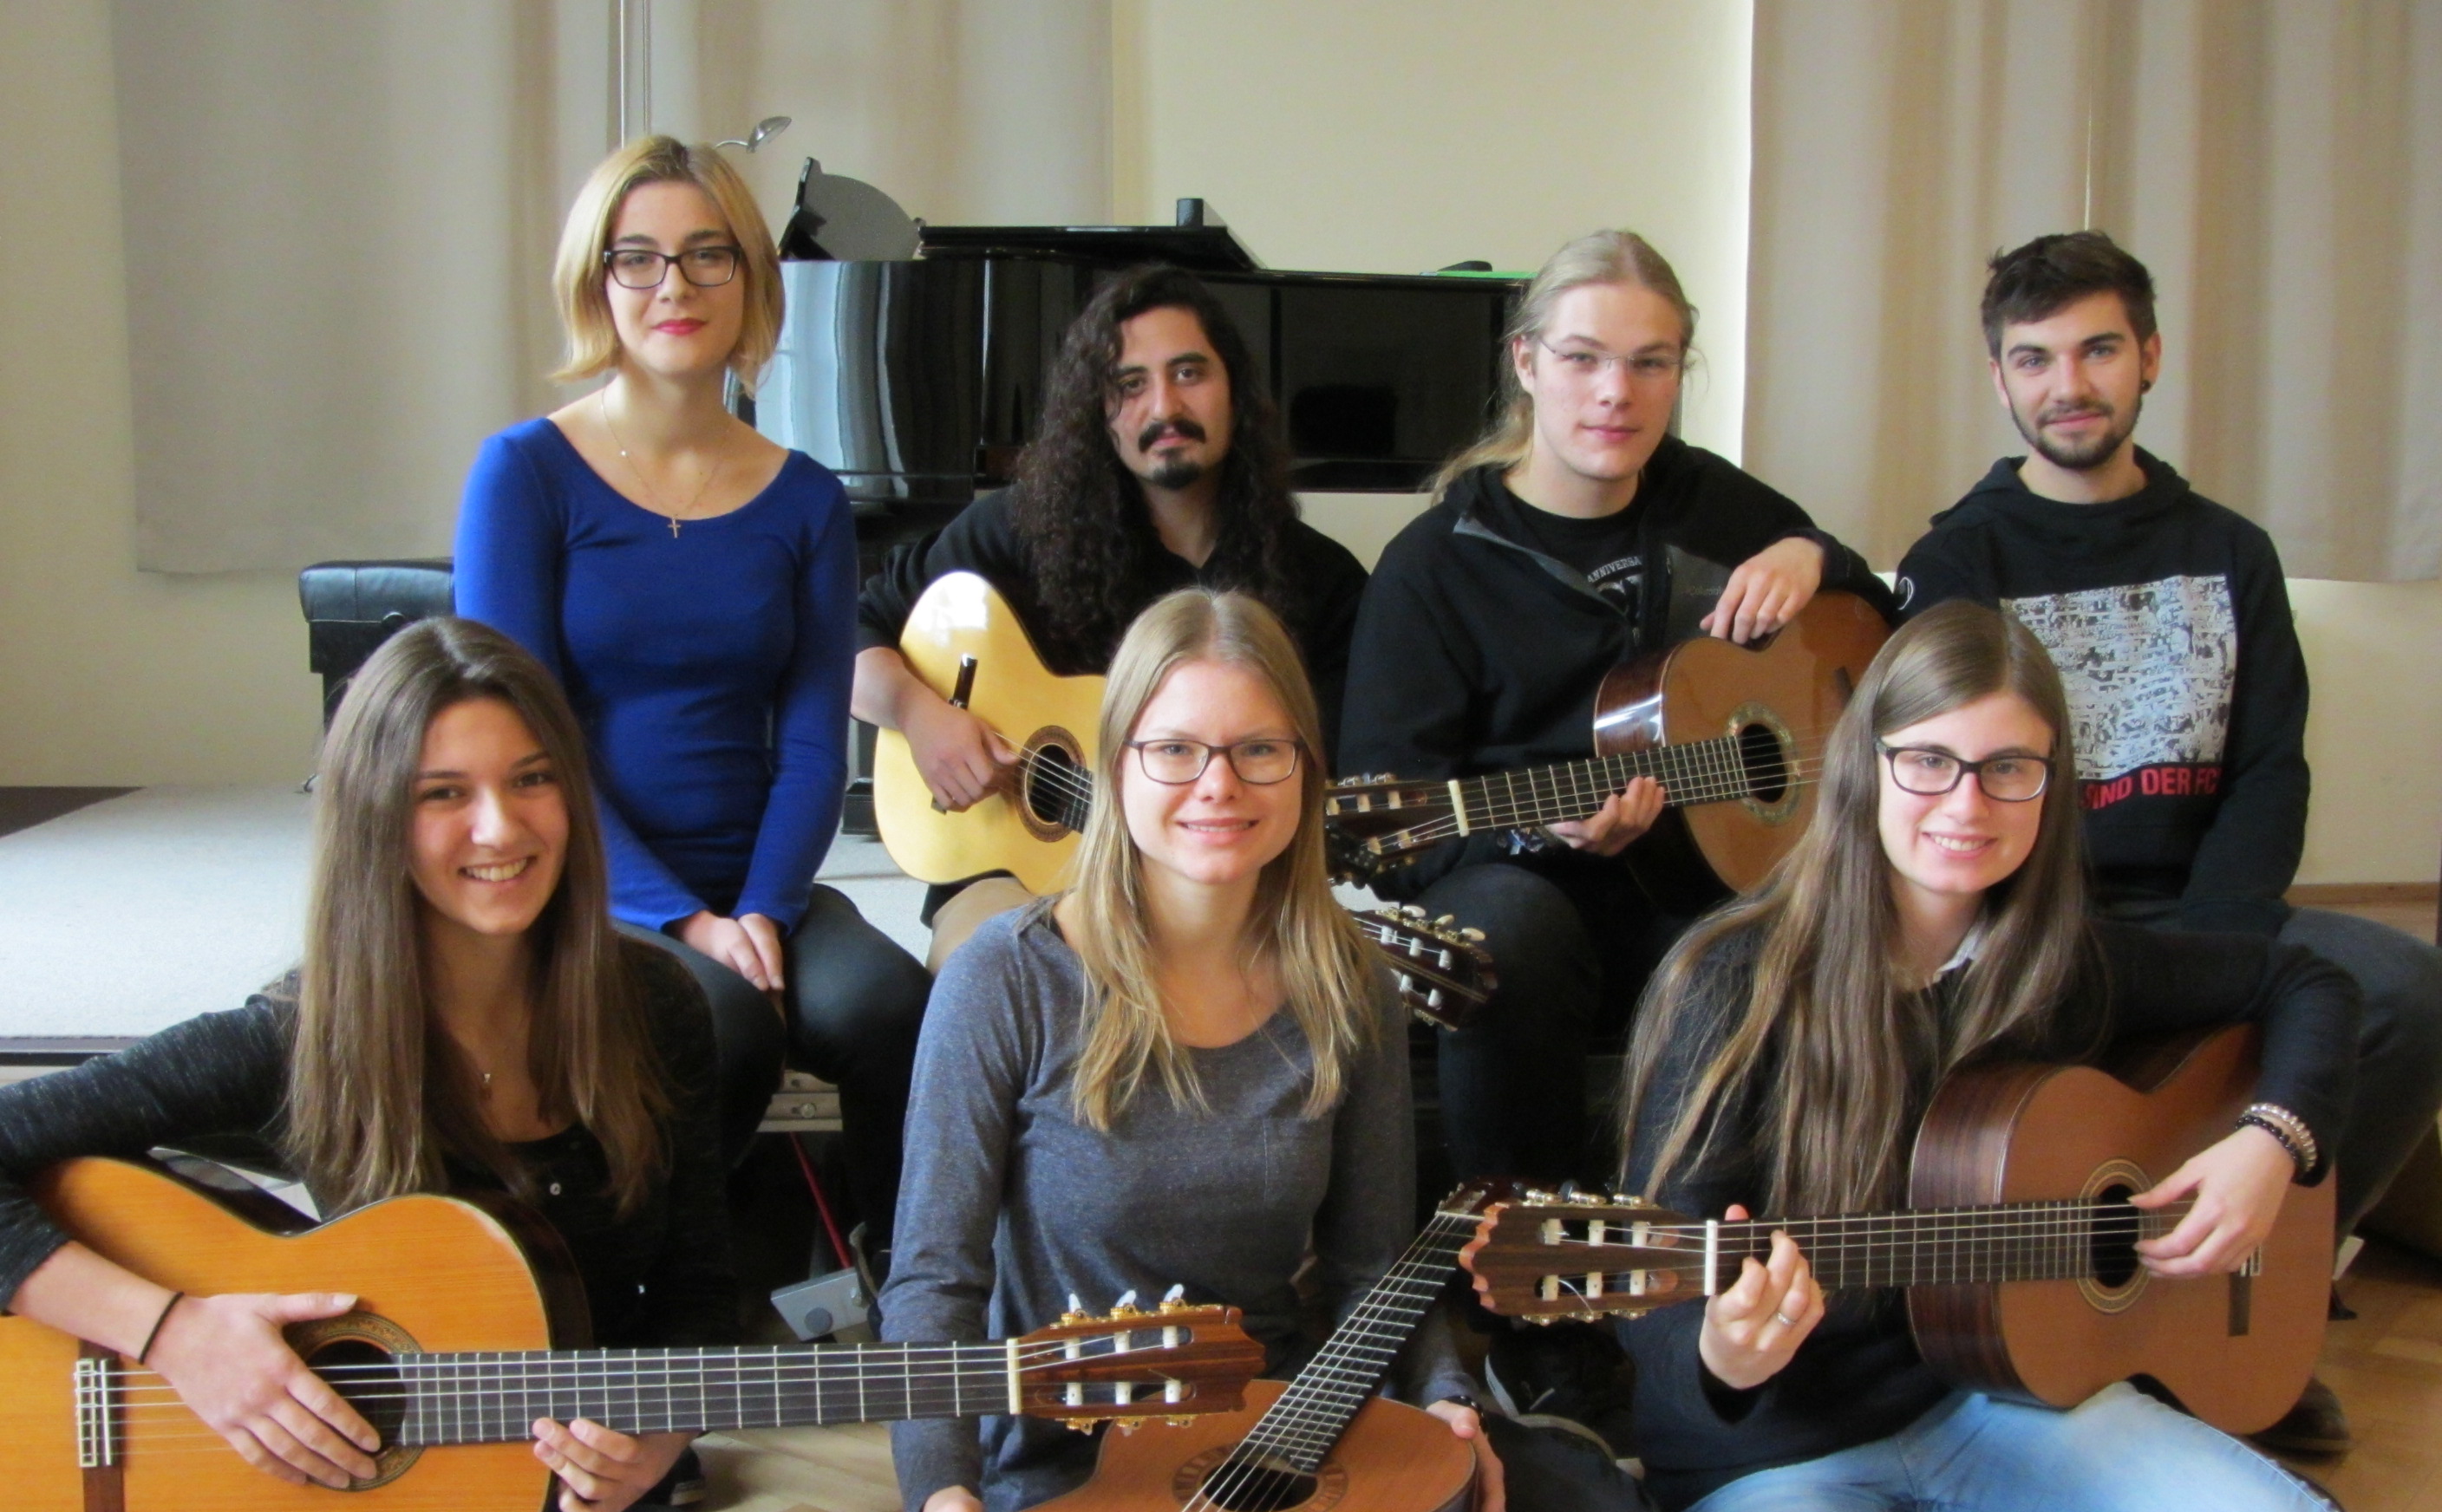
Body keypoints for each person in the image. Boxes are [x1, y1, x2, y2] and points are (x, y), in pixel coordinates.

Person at [0, 620, 881, 1512]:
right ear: (375, 822)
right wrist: (173, 1331)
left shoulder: (657, 1012)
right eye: (442, 795)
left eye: (530, 781)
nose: (499, 830)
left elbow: (693, 1290)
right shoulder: (296, 1041)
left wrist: (657, 1422)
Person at [1615, 599, 2439, 1512]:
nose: (1966, 805)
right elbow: (1655, 1298)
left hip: (1995, 1398)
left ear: (2053, 787)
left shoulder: (2059, 965)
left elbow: (2306, 975)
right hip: (1769, 1462)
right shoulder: (1727, 983)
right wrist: (1726, 1355)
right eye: (1931, 762)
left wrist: (2275, 1140)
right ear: (1866, 765)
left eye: (2009, 768)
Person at [877, 590, 1706, 1512]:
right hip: (1075, 1457)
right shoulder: (1007, 979)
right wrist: (938, 1488)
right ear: (1116, 764)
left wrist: (1450, 1403)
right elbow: (933, 1276)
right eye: (1174, 749)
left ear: (1307, 774)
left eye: (1258, 750)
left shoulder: (1347, 980)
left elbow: (1372, 1265)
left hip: (1289, 1422)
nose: (1217, 786)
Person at [1893, 229, 2442, 1456]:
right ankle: (2115, 1327)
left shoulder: (2233, 552)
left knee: (2404, 986)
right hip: (2039, 924)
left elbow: (2268, 767)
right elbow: (1947, 795)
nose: (2068, 384)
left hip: (2208, 907)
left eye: (2098, 349)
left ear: (2149, 357)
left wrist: (2224, 944)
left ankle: (2276, 1298)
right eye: (2034, 359)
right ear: (2000, 380)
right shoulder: (1957, 561)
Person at [1339, 229, 1897, 1196]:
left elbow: (1874, 629)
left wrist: (1814, 556)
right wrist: (1533, 833)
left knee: (1773, 932)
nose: (1615, 393)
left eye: (1650, 364)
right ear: (1525, 361)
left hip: (1698, 868)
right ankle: (1528, 1279)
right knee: (1512, 931)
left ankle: (1708, 1279)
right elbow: (1391, 823)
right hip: (1511, 880)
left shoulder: (1700, 496)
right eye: (1583, 358)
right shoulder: (1435, 564)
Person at [456, 134, 930, 1260]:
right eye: (639, 258)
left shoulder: (806, 499)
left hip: (758, 887)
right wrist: (685, 919)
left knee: (894, 1008)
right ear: (596, 281)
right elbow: (519, 747)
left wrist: (760, 910)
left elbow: (816, 743)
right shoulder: (522, 474)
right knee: (713, 1028)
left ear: (751, 281)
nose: (674, 287)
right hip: (589, 889)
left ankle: (913, 1294)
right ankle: (662, 1321)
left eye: (708, 255)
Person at [852, 264, 1370, 965]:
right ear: (1097, 411)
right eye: (1129, 386)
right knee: (1008, 967)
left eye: (1189, 373)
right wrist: (922, 716)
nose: (1163, 407)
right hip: (1011, 877)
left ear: (1236, 393)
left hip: (1225, 888)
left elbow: (1330, 781)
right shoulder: (1017, 532)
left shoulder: (1320, 580)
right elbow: (847, 641)